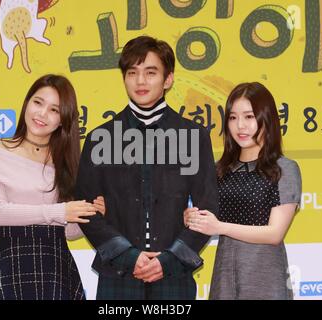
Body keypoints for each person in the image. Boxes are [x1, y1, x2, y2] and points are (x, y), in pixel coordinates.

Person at [75, 36, 218, 300]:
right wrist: (128, 257)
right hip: (117, 276)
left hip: (174, 277)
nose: (140, 82)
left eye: (150, 73)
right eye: (133, 73)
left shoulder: (193, 137)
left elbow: (207, 209)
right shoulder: (100, 138)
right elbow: (84, 209)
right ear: (124, 78)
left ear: (168, 79)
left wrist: (170, 260)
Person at [0, 74, 105, 300]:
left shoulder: (66, 162)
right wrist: (61, 211)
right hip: (10, 260)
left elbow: (67, 232)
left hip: (54, 265)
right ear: (27, 103)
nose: (42, 114)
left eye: (54, 110)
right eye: (38, 102)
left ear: (63, 119)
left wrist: (90, 214)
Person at [184, 82, 302, 300]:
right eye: (233, 117)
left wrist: (219, 226)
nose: (240, 126)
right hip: (224, 275)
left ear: (267, 118)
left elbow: (274, 233)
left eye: (249, 117)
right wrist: (192, 217)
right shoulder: (220, 170)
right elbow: (208, 218)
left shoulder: (284, 169)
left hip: (264, 277)